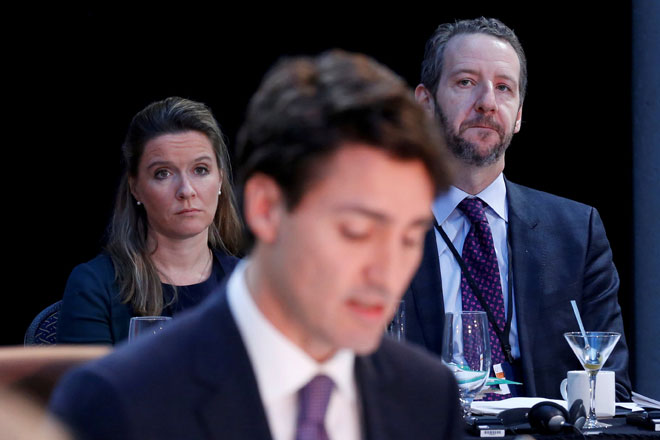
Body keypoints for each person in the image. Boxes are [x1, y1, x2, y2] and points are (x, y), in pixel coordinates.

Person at [48, 50, 462, 440]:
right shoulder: (118, 401)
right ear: (266, 208)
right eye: (356, 231)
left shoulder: (429, 397)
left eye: (410, 237)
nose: (389, 273)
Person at [405, 17, 631, 400]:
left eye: (504, 88)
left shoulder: (578, 231)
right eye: (465, 82)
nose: (488, 103)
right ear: (425, 103)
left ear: (520, 114)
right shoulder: (375, 227)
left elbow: (611, 391)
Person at [57, 97, 242, 345]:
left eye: (200, 169)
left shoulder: (250, 284)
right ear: (136, 188)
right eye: (163, 173)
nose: (186, 190)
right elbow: (88, 384)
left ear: (220, 179)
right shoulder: (94, 285)